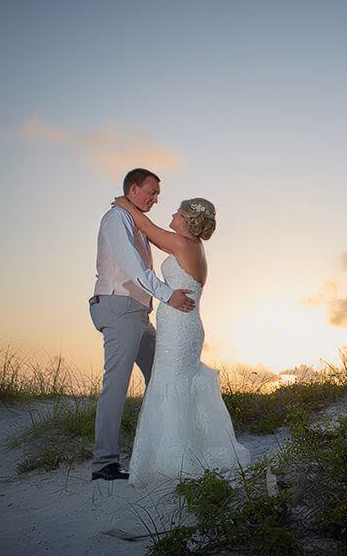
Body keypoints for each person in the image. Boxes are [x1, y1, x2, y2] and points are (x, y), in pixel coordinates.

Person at [110, 194, 252, 486]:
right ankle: (177, 454)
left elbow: (147, 228)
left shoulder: (184, 244)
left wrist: (126, 204)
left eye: (177, 212)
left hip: (179, 326)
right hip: (184, 325)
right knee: (175, 383)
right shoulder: (188, 246)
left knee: (170, 384)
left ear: (186, 220)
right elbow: (154, 238)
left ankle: (177, 461)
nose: (171, 213)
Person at [89, 168, 196, 481]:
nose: (156, 198)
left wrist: (133, 209)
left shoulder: (132, 218)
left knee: (162, 376)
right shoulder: (115, 220)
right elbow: (133, 267)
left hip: (137, 314)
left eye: (158, 194)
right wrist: (167, 295)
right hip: (119, 307)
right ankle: (104, 464)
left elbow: (160, 237)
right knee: (116, 386)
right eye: (151, 192)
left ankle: (161, 449)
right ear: (133, 189)